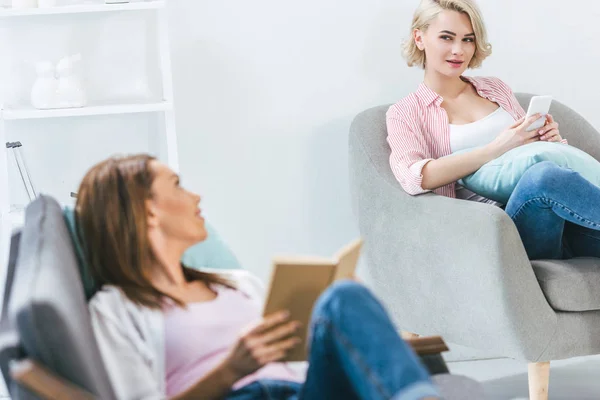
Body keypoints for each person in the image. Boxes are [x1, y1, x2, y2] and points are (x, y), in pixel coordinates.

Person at [77, 154, 441, 400]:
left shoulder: (236, 283)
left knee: (342, 295)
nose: (195, 195)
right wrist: (231, 369)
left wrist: (343, 324)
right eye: (177, 185)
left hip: (300, 392)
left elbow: (301, 363)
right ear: (148, 211)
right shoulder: (115, 308)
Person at [387, 0, 600, 260]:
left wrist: (548, 141)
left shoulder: (494, 88)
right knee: (543, 177)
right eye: (446, 37)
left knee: (549, 170)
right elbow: (414, 179)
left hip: (572, 219)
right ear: (419, 38)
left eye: (468, 39)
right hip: (507, 228)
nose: (458, 50)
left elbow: (530, 153)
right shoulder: (405, 112)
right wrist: (497, 148)